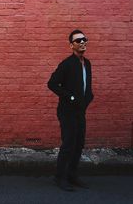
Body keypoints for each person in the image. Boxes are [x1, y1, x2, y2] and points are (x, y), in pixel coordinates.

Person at [47, 29, 94, 191]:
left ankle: (72, 175)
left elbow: (87, 84)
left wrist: (89, 97)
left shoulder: (87, 63)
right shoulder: (66, 64)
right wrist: (71, 97)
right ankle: (59, 178)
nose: (82, 42)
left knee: (79, 143)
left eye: (84, 39)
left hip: (80, 111)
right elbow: (52, 84)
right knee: (68, 144)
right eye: (78, 40)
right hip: (67, 111)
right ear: (71, 45)